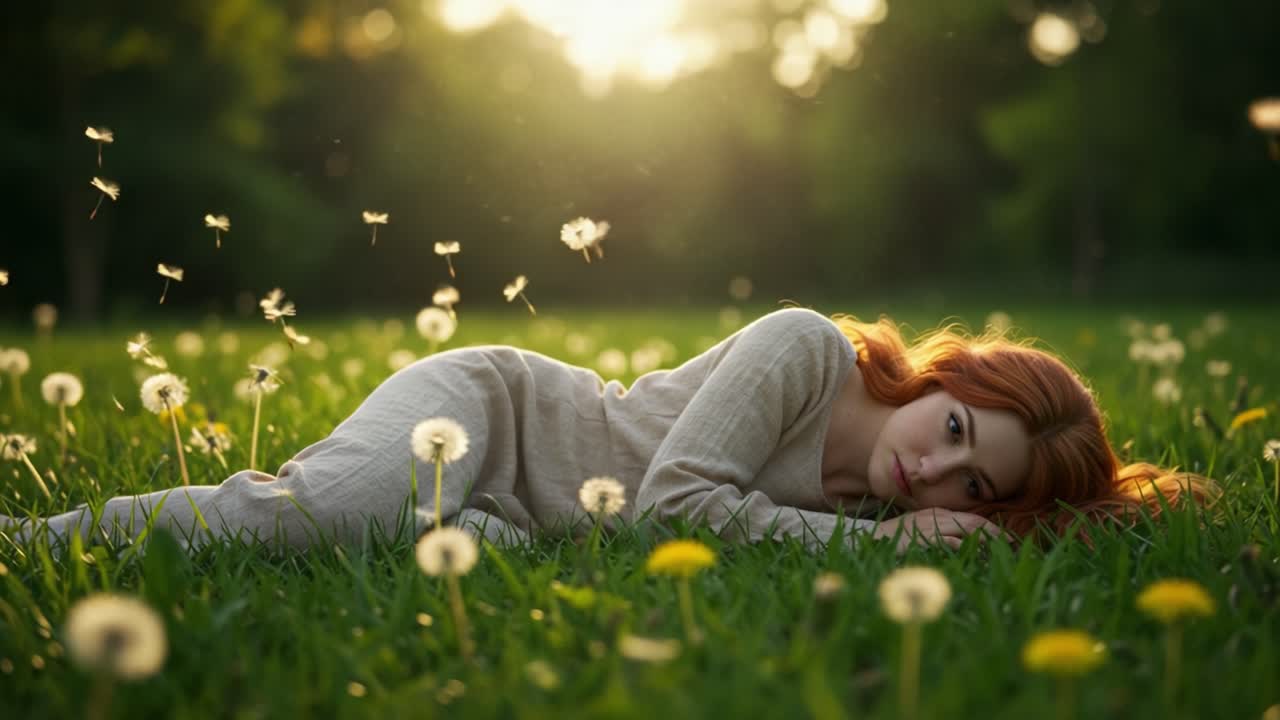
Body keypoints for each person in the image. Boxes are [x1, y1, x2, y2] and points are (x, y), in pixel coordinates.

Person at [1, 307, 1219, 555]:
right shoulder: (803, 349)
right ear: (939, 378)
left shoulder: (876, 498)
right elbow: (676, 504)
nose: (934, 465)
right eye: (955, 424)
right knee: (323, 518)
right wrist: (890, 553)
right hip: (493, 414)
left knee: (423, 552)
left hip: (521, 515)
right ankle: (38, 539)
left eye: (969, 481)